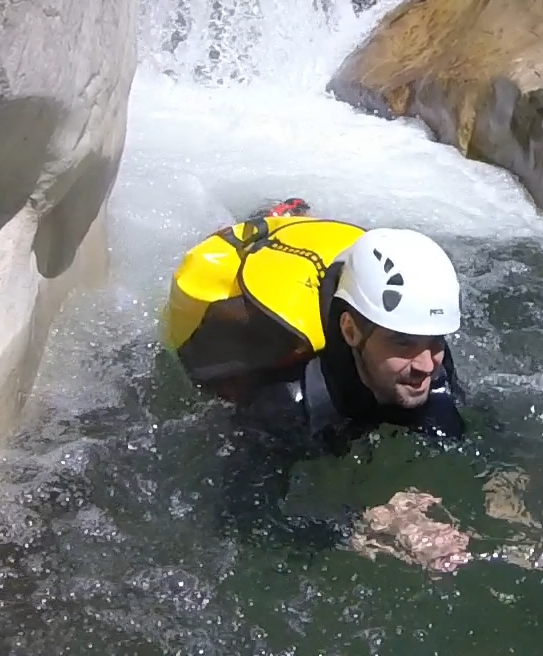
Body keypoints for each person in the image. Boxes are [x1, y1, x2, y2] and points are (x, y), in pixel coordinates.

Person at [164, 203, 473, 571]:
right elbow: (242, 521)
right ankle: (267, 222)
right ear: (350, 330)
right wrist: (360, 527)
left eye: (435, 341)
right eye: (403, 342)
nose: (426, 365)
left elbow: (457, 435)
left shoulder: (426, 355)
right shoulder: (287, 402)